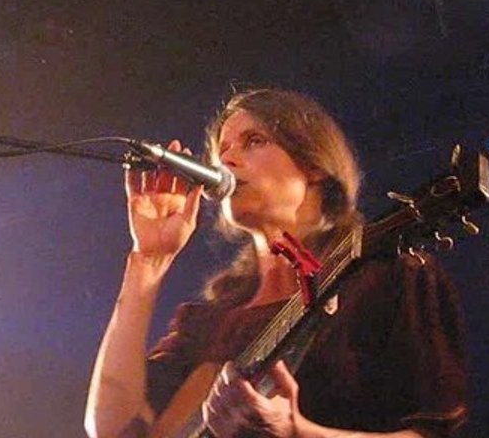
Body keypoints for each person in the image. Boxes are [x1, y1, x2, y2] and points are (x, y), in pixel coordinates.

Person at [85, 88, 468, 438]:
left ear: (315, 164)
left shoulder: (387, 278)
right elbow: (112, 428)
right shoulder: (207, 322)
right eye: (222, 151)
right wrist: (148, 261)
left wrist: (295, 431)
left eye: (254, 141)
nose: (227, 160)